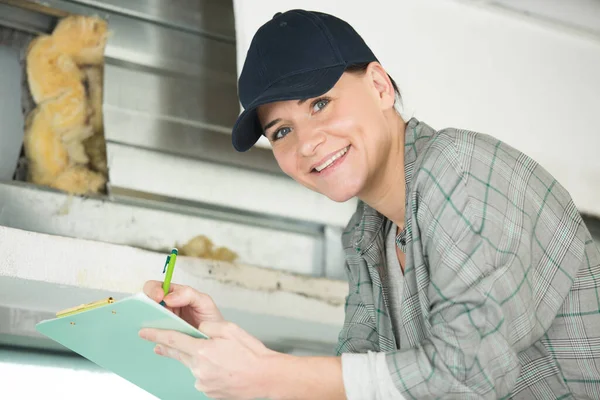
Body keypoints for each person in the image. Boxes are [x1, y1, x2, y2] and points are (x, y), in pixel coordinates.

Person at [138, 9, 600, 400]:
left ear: (379, 86)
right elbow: (361, 384)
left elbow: (468, 374)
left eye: (320, 103)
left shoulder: (459, 170)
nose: (307, 143)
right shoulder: (367, 233)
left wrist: (267, 371)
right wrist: (223, 348)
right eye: (281, 131)